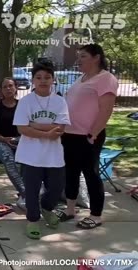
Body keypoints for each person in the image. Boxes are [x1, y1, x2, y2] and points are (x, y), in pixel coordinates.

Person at [56, 44, 118, 229]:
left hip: (88, 136)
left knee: (91, 175)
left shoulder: (105, 79)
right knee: (71, 173)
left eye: (83, 56)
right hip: (70, 134)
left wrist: (93, 134)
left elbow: (106, 109)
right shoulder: (82, 78)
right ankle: (70, 209)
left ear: (96, 57)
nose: (79, 60)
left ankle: (96, 215)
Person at [13, 61, 70, 239]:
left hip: (54, 155)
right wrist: (47, 131)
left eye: (47, 77)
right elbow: (21, 129)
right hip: (30, 155)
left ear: (53, 80)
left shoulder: (60, 101)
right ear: (33, 80)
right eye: (38, 77)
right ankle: (32, 219)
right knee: (31, 190)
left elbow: (61, 128)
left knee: (56, 187)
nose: (43, 81)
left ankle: (46, 208)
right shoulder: (25, 102)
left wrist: (35, 125)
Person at [0, 78, 26, 209]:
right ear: (1, 90)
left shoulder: (22, 105)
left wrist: (18, 140)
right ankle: (25, 192)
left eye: (10, 86)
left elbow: (27, 126)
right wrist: (3, 139)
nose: (8, 89)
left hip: (19, 140)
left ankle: (35, 191)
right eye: (4, 87)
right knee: (8, 158)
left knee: (30, 158)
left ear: (16, 88)